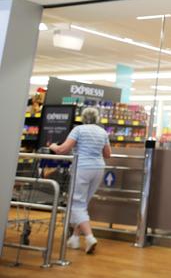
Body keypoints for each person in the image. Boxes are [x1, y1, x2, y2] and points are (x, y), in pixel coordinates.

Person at [50, 106, 111, 254]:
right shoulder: (102, 132)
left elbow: (62, 149)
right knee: (83, 204)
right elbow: (108, 154)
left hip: (82, 168)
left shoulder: (78, 130)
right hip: (98, 169)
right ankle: (75, 238)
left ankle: (90, 238)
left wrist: (52, 146)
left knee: (77, 203)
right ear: (97, 119)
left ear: (83, 118)